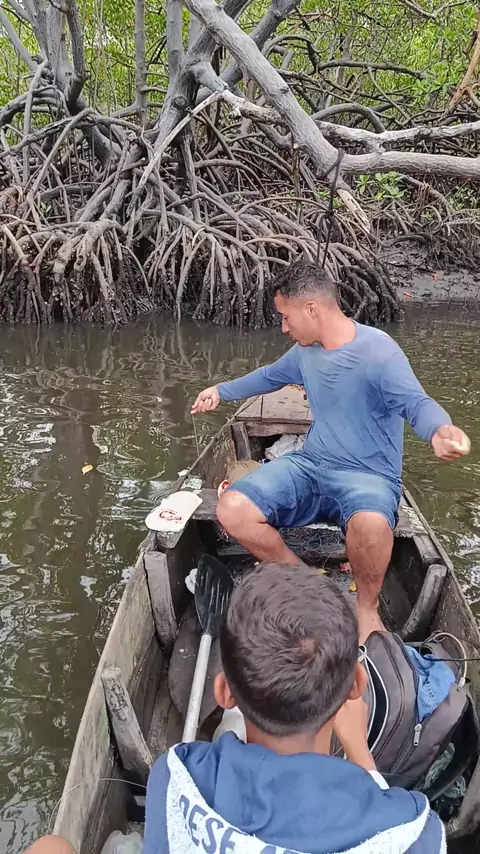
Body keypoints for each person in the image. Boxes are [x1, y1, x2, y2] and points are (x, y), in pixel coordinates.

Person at [191, 261, 470, 642]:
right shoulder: (305, 353)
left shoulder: (378, 352)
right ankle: (307, 584)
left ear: (312, 309)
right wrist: (219, 391)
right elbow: (269, 376)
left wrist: (440, 429)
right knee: (232, 508)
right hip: (311, 466)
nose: (284, 327)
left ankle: (366, 609)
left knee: (371, 522)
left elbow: (417, 404)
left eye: (286, 317)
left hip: (367, 477)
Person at [144, 562, 445, 853]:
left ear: (224, 692)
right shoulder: (415, 834)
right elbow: (388, 827)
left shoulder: (175, 776)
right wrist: (360, 752)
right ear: (357, 684)